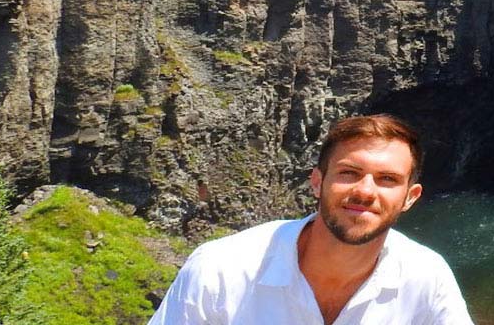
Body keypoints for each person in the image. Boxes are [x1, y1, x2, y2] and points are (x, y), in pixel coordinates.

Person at [148, 114, 473, 325]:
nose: (365, 191)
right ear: (317, 182)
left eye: (387, 179)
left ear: (410, 197)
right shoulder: (221, 269)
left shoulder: (427, 278)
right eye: (349, 173)